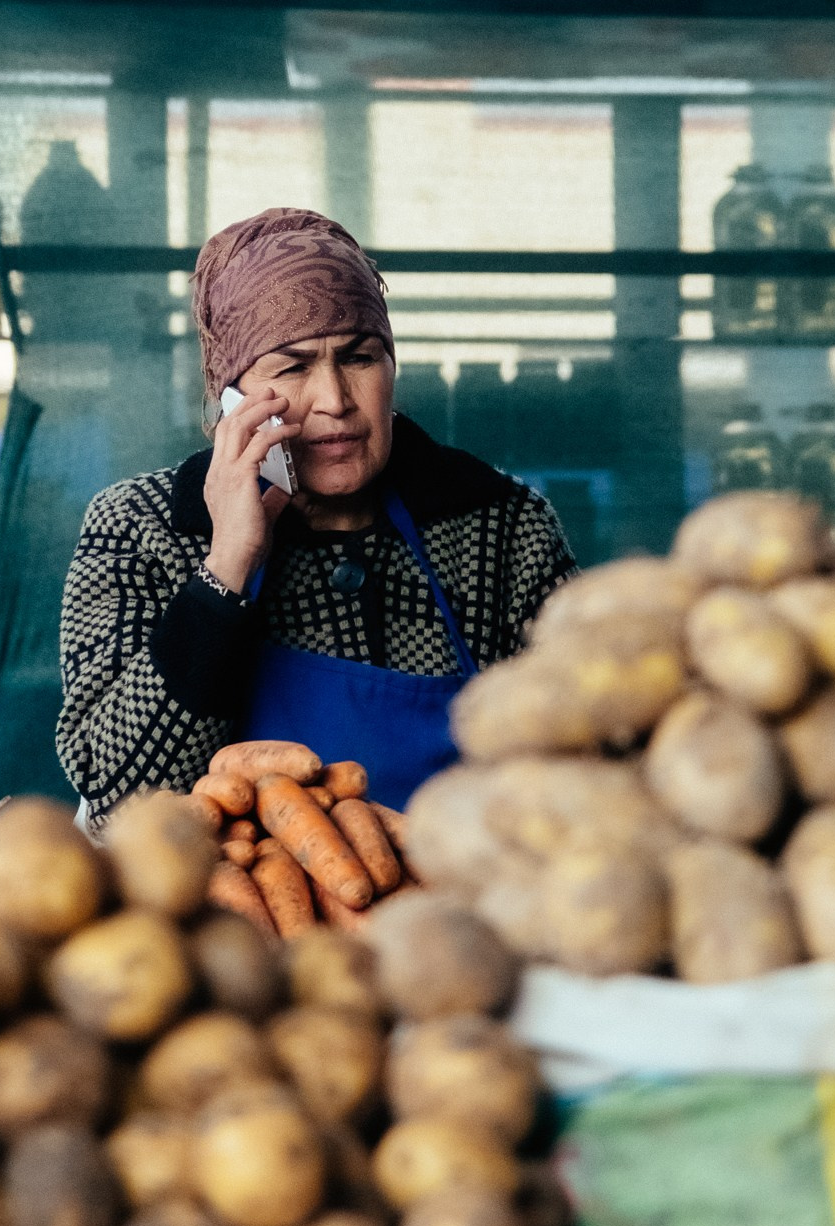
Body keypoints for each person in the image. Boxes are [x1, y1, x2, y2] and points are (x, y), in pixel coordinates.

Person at [57, 206, 576, 821]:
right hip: (229, 913)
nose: (334, 401)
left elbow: (580, 754)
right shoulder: (140, 528)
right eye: (293, 367)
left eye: (359, 358)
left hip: (452, 902)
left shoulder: (503, 523)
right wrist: (226, 567)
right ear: (232, 396)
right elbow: (120, 794)